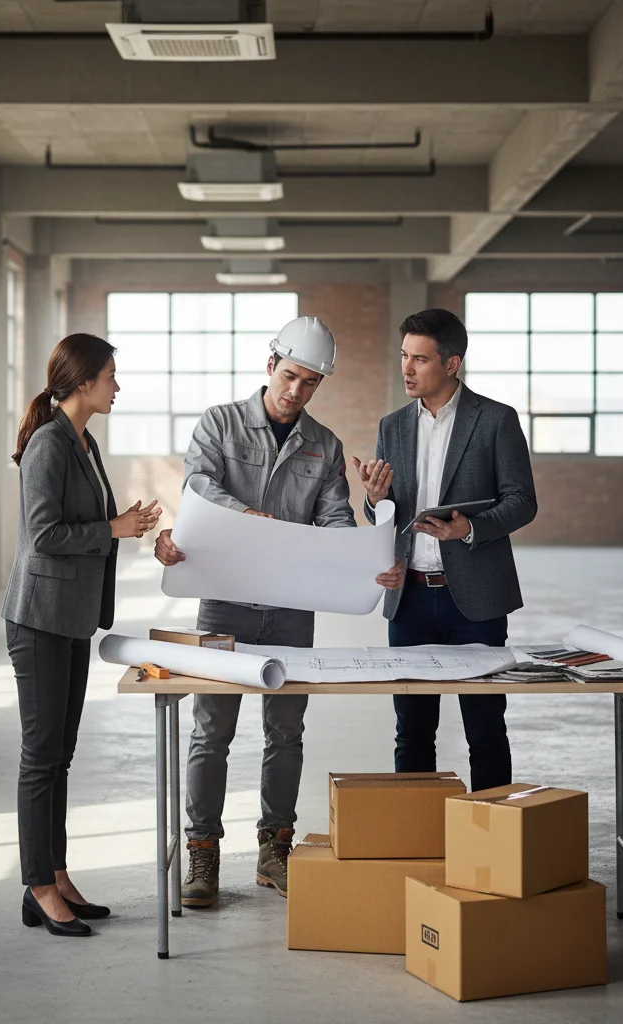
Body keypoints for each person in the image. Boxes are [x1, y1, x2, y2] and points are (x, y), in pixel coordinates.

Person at [154, 316, 405, 908]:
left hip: (291, 613)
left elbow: (335, 520)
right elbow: (199, 486)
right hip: (223, 605)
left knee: (285, 735)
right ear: (271, 365)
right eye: (291, 375)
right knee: (211, 733)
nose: (297, 391)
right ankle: (203, 855)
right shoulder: (219, 424)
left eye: (311, 383)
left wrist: (365, 556)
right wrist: (247, 519)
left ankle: (275, 851)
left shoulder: (325, 445)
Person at [3, 333, 162, 937]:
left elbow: (88, 523)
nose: (117, 386)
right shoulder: (49, 444)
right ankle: (37, 886)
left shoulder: (83, 441)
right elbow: (43, 536)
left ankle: (57, 874)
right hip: (38, 618)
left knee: (59, 756)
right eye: (112, 376)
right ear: (85, 381)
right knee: (41, 758)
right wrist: (113, 528)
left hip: (67, 618)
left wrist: (123, 526)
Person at [354, 308, 537, 793]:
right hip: (409, 601)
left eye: (420, 359)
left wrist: (470, 529)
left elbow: (523, 501)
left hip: (475, 601)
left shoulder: (496, 420)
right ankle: (419, 839)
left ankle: (494, 842)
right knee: (412, 732)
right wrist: (374, 501)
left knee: (484, 728)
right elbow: (386, 514)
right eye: (403, 357)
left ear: (452, 364)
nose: (407, 370)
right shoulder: (392, 425)